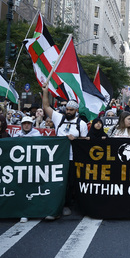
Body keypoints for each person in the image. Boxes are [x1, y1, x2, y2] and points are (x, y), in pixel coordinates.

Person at [42, 85, 88, 218]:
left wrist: (76, 139)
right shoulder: (59, 118)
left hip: (73, 158)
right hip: (58, 157)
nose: (68, 111)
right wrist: (45, 92)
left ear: (76, 110)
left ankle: (68, 204)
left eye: (71, 110)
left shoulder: (82, 124)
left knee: (70, 182)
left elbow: (85, 141)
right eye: (67, 109)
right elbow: (46, 106)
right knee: (58, 181)